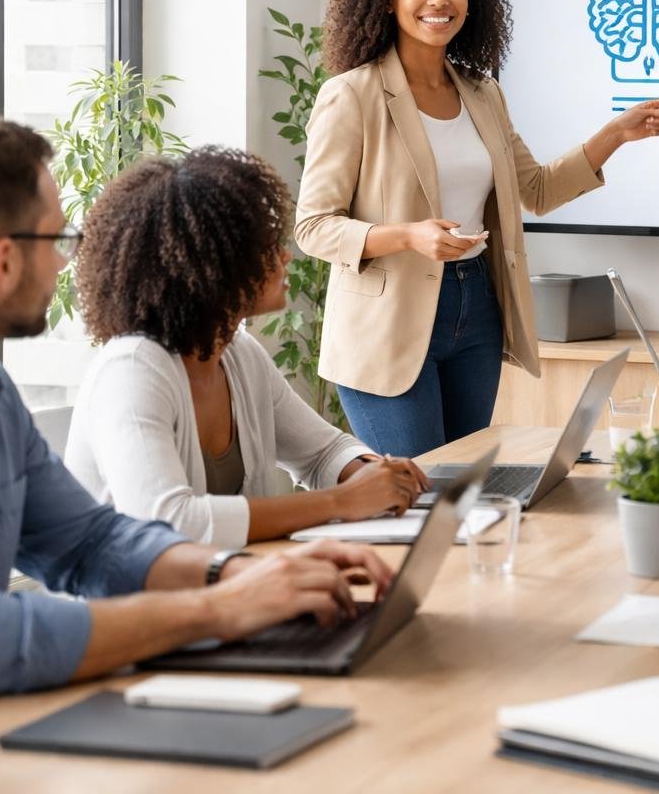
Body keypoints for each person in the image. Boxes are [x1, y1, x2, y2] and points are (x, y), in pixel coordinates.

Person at [0, 114, 391, 701]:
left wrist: (237, 573)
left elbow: (87, 542)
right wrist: (215, 609)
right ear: (3, 262)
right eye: (57, 240)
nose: (67, 263)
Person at [295, 0, 659, 456]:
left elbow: (536, 189)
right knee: (419, 492)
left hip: (475, 307)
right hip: (385, 324)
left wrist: (615, 134)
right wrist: (407, 236)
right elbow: (313, 227)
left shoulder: (483, 93)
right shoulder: (351, 95)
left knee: (463, 492)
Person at [64, 146, 431, 546]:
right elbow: (171, 522)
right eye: (266, 247)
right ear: (212, 266)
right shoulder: (132, 370)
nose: (285, 257)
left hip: (226, 590)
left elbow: (323, 453)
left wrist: (378, 476)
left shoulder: (239, 353)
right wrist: (341, 501)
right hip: (142, 605)